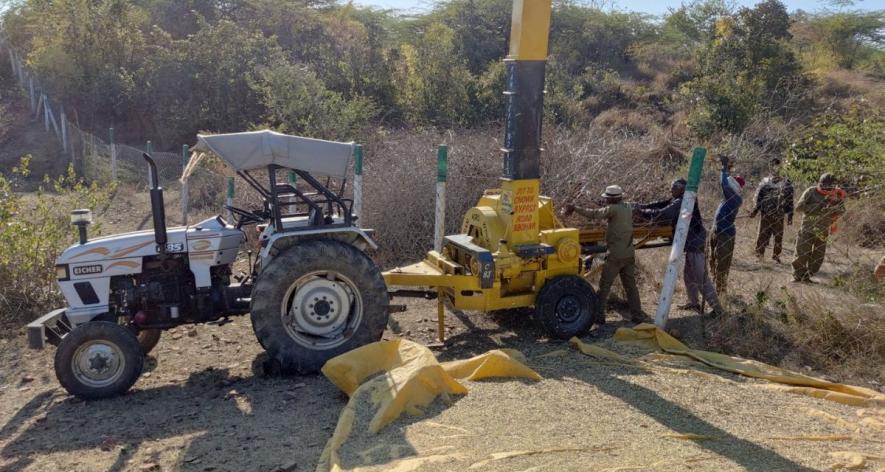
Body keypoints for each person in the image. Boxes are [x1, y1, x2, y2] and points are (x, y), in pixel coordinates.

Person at [635, 179, 723, 316]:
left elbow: (664, 213)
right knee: (689, 274)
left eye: (673, 188)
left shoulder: (684, 201)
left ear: (681, 189)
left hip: (695, 241)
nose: (671, 190)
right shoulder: (680, 198)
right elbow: (660, 204)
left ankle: (717, 309)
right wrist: (640, 207)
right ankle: (693, 302)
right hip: (691, 240)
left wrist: (641, 212)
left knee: (700, 276)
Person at [562, 185, 646, 325]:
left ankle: (599, 317)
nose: (605, 200)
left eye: (607, 198)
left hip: (615, 256)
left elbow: (595, 214)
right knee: (631, 287)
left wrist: (575, 208)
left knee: (604, 286)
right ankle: (637, 316)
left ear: (611, 199)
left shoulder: (613, 209)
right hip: (629, 253)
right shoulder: (627, 207)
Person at [792, 173, 846, 282]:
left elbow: (842, 211)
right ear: (820, 183)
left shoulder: (836, 195)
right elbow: (799, 208)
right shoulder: (811, 191)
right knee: (801, 253)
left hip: (823, 229)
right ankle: (798, 276)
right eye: (824, 184)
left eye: (830, 185)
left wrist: (833, 205)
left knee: (818, 257)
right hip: (807, 228)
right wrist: (820, 204)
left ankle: (807, 276)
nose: (826, 187)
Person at [710, 155, 745, 297]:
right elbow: (726, 184)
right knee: (713, 259)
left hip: (725, 234)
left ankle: (720, 291)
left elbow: (724, 184)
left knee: (722, 263)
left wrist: (724, 169)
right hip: (717, 230)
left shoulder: (735, 198)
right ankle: (714, 287)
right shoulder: (730, 197)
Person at [750, 158, 794, 263]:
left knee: (778, 236)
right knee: (762, 234)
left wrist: (790, 216)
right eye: (773, 166)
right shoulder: (765, 182)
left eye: (777, 166)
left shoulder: (786, 183)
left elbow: (790, 200)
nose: (775, 168)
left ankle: (776, 256)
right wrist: (755, 211)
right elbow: (759, 198)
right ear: (770, 168)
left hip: (779, 214)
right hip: (765, 213)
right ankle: (759, 255)